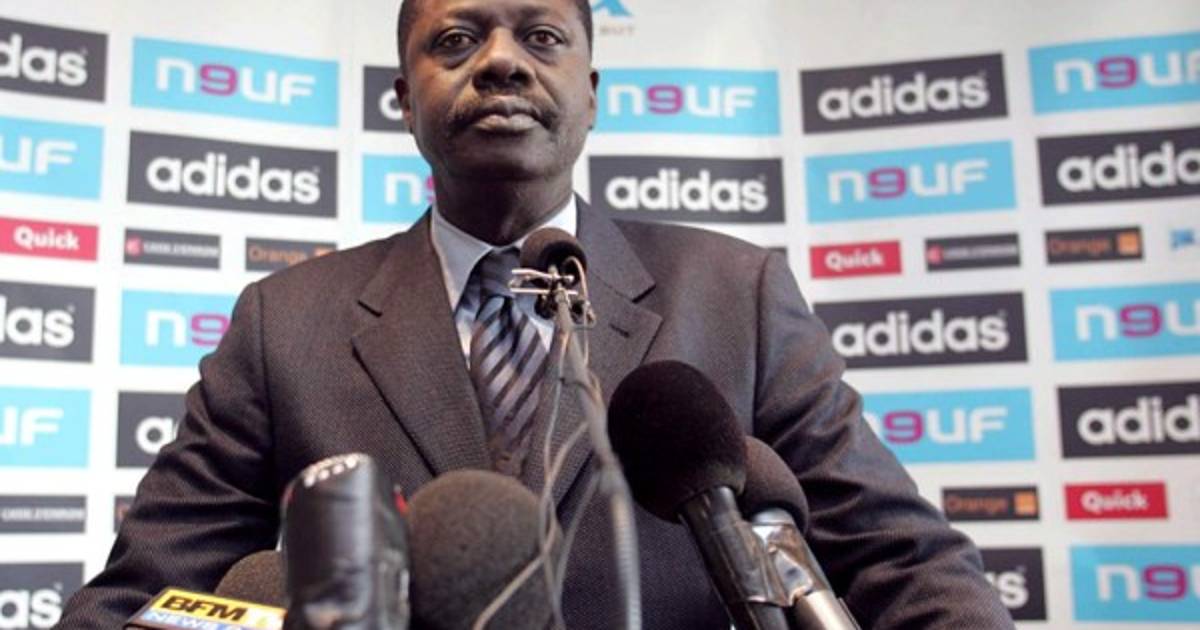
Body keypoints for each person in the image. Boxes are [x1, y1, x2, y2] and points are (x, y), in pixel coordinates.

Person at [58, 0, 1014, 628]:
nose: (501, 63)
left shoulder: (737, 292)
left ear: (592, 96)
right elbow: (149, 595)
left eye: (543, 37)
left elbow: (903, 561)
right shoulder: (286, 322)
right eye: (456, 40)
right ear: (403, 98)